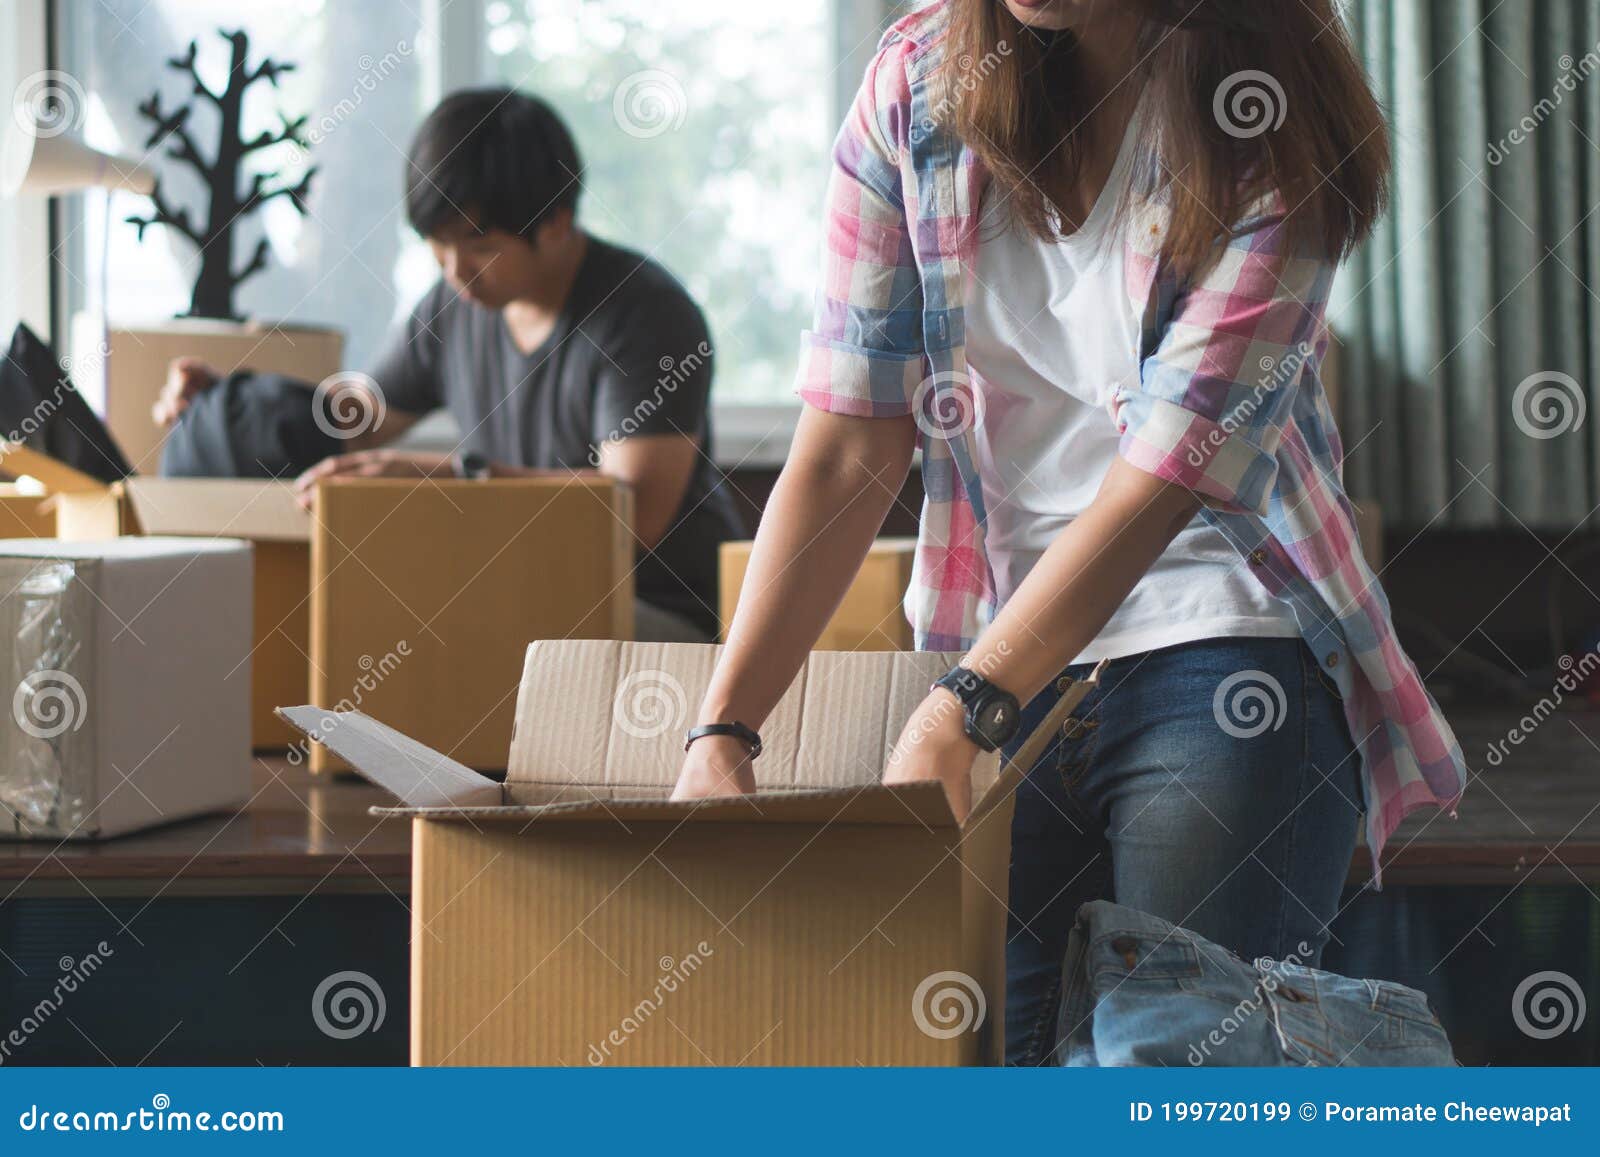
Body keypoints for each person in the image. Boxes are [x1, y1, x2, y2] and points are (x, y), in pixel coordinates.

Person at [669, 0, 1467, 1064]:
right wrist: (723, 730)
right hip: (998, 650)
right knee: (1006, 1064)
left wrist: (959, 709)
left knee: (1179, 1079)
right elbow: (849, 442)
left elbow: (1171, 472)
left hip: (1221, 644)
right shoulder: (916, 84)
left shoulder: (1273, 114)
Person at [155, 88, 742, 642]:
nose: (455, 270)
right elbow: (349, 420)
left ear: (557, 222)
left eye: (480, 246)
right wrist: (227, 407)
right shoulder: (452, 309)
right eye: (437, 245)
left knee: (436, 636)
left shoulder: (645, 315)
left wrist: (446, 483)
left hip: (662, 615)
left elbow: (631, 515)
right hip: (525, 596)